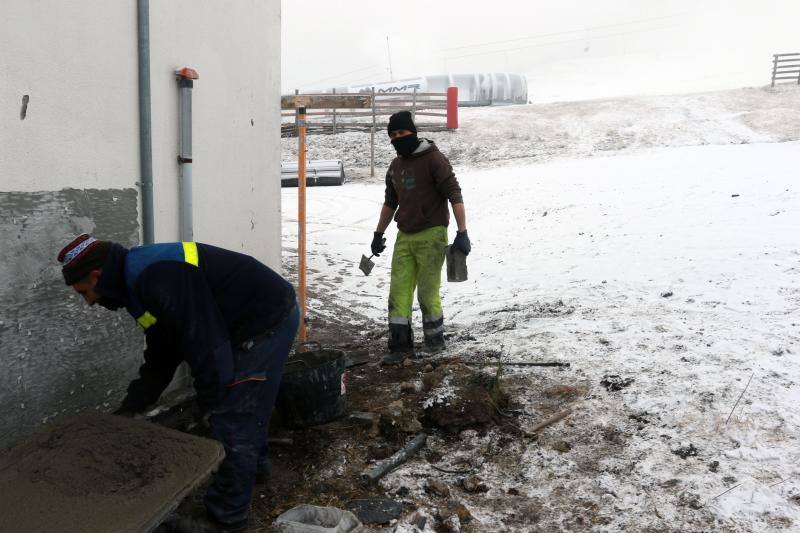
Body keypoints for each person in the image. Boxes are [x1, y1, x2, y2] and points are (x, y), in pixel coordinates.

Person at [57, 234, 298, 532]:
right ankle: (253, 470)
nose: (89, 302)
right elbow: (162, 351)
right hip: (247, 318)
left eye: (84, 293)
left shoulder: (157, 277)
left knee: (232, 416)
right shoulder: (134, 285)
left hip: (267, 318)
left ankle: (225, 519)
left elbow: (208, 346)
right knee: (246, 405)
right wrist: (132, 407)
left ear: (96, 276)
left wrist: (210, 405)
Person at [372, 111, 471, 364]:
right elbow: (390, 202)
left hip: (432, 234)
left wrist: (462, 232)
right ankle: (399, 346)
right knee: (398, 292)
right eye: (393, 135)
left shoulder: (434, 159)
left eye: (402, 133)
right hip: (404, 236)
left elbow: (454, 194)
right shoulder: (395, 166)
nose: (398, 138)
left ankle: (434, 342)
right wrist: (378, 233)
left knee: (427, 292)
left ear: (413, 132)